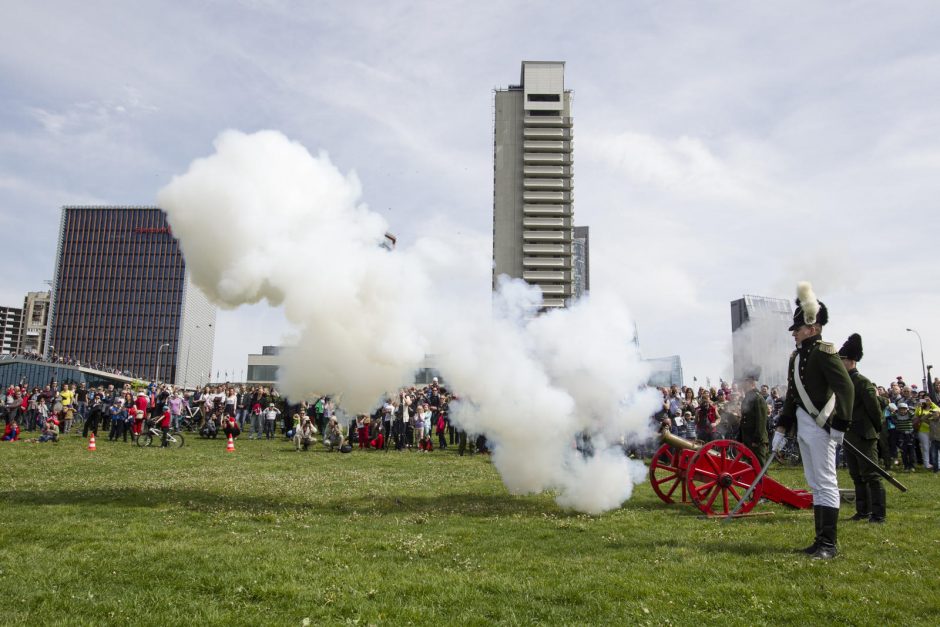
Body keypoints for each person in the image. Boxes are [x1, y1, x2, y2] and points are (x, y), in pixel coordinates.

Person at [772, 282, 854, 559]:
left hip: (822, 427)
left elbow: (846, 389)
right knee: (815, 483)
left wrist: (841, 424)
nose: (794, 333)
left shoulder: (824, 352)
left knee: (826, 482)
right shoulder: (796, 358)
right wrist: (782, 427)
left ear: (813, 328)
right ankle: (819, 541)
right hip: (804, 425)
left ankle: (828, 545)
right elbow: (793, 397)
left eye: (798, 328)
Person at [838, 333, 886, 523]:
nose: (840, 363)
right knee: (857, 476)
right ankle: (862, 511)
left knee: (872, 476)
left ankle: (878, 514)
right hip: (850, 436)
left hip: (864, 435)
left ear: (851, 361)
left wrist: (875, 430)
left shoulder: (863, 382)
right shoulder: (844, 381)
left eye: (842, 360)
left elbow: (874, 410)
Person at [738, 368, 769, 466]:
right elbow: (744, 420)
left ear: (750, 382)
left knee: (760, 468)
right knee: (750, 468)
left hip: (756, 442)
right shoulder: (747, 398)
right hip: (748, 439)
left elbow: (761, 421)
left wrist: (756, 440)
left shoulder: (758, 398)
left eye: (744, 382)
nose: (741, 385)